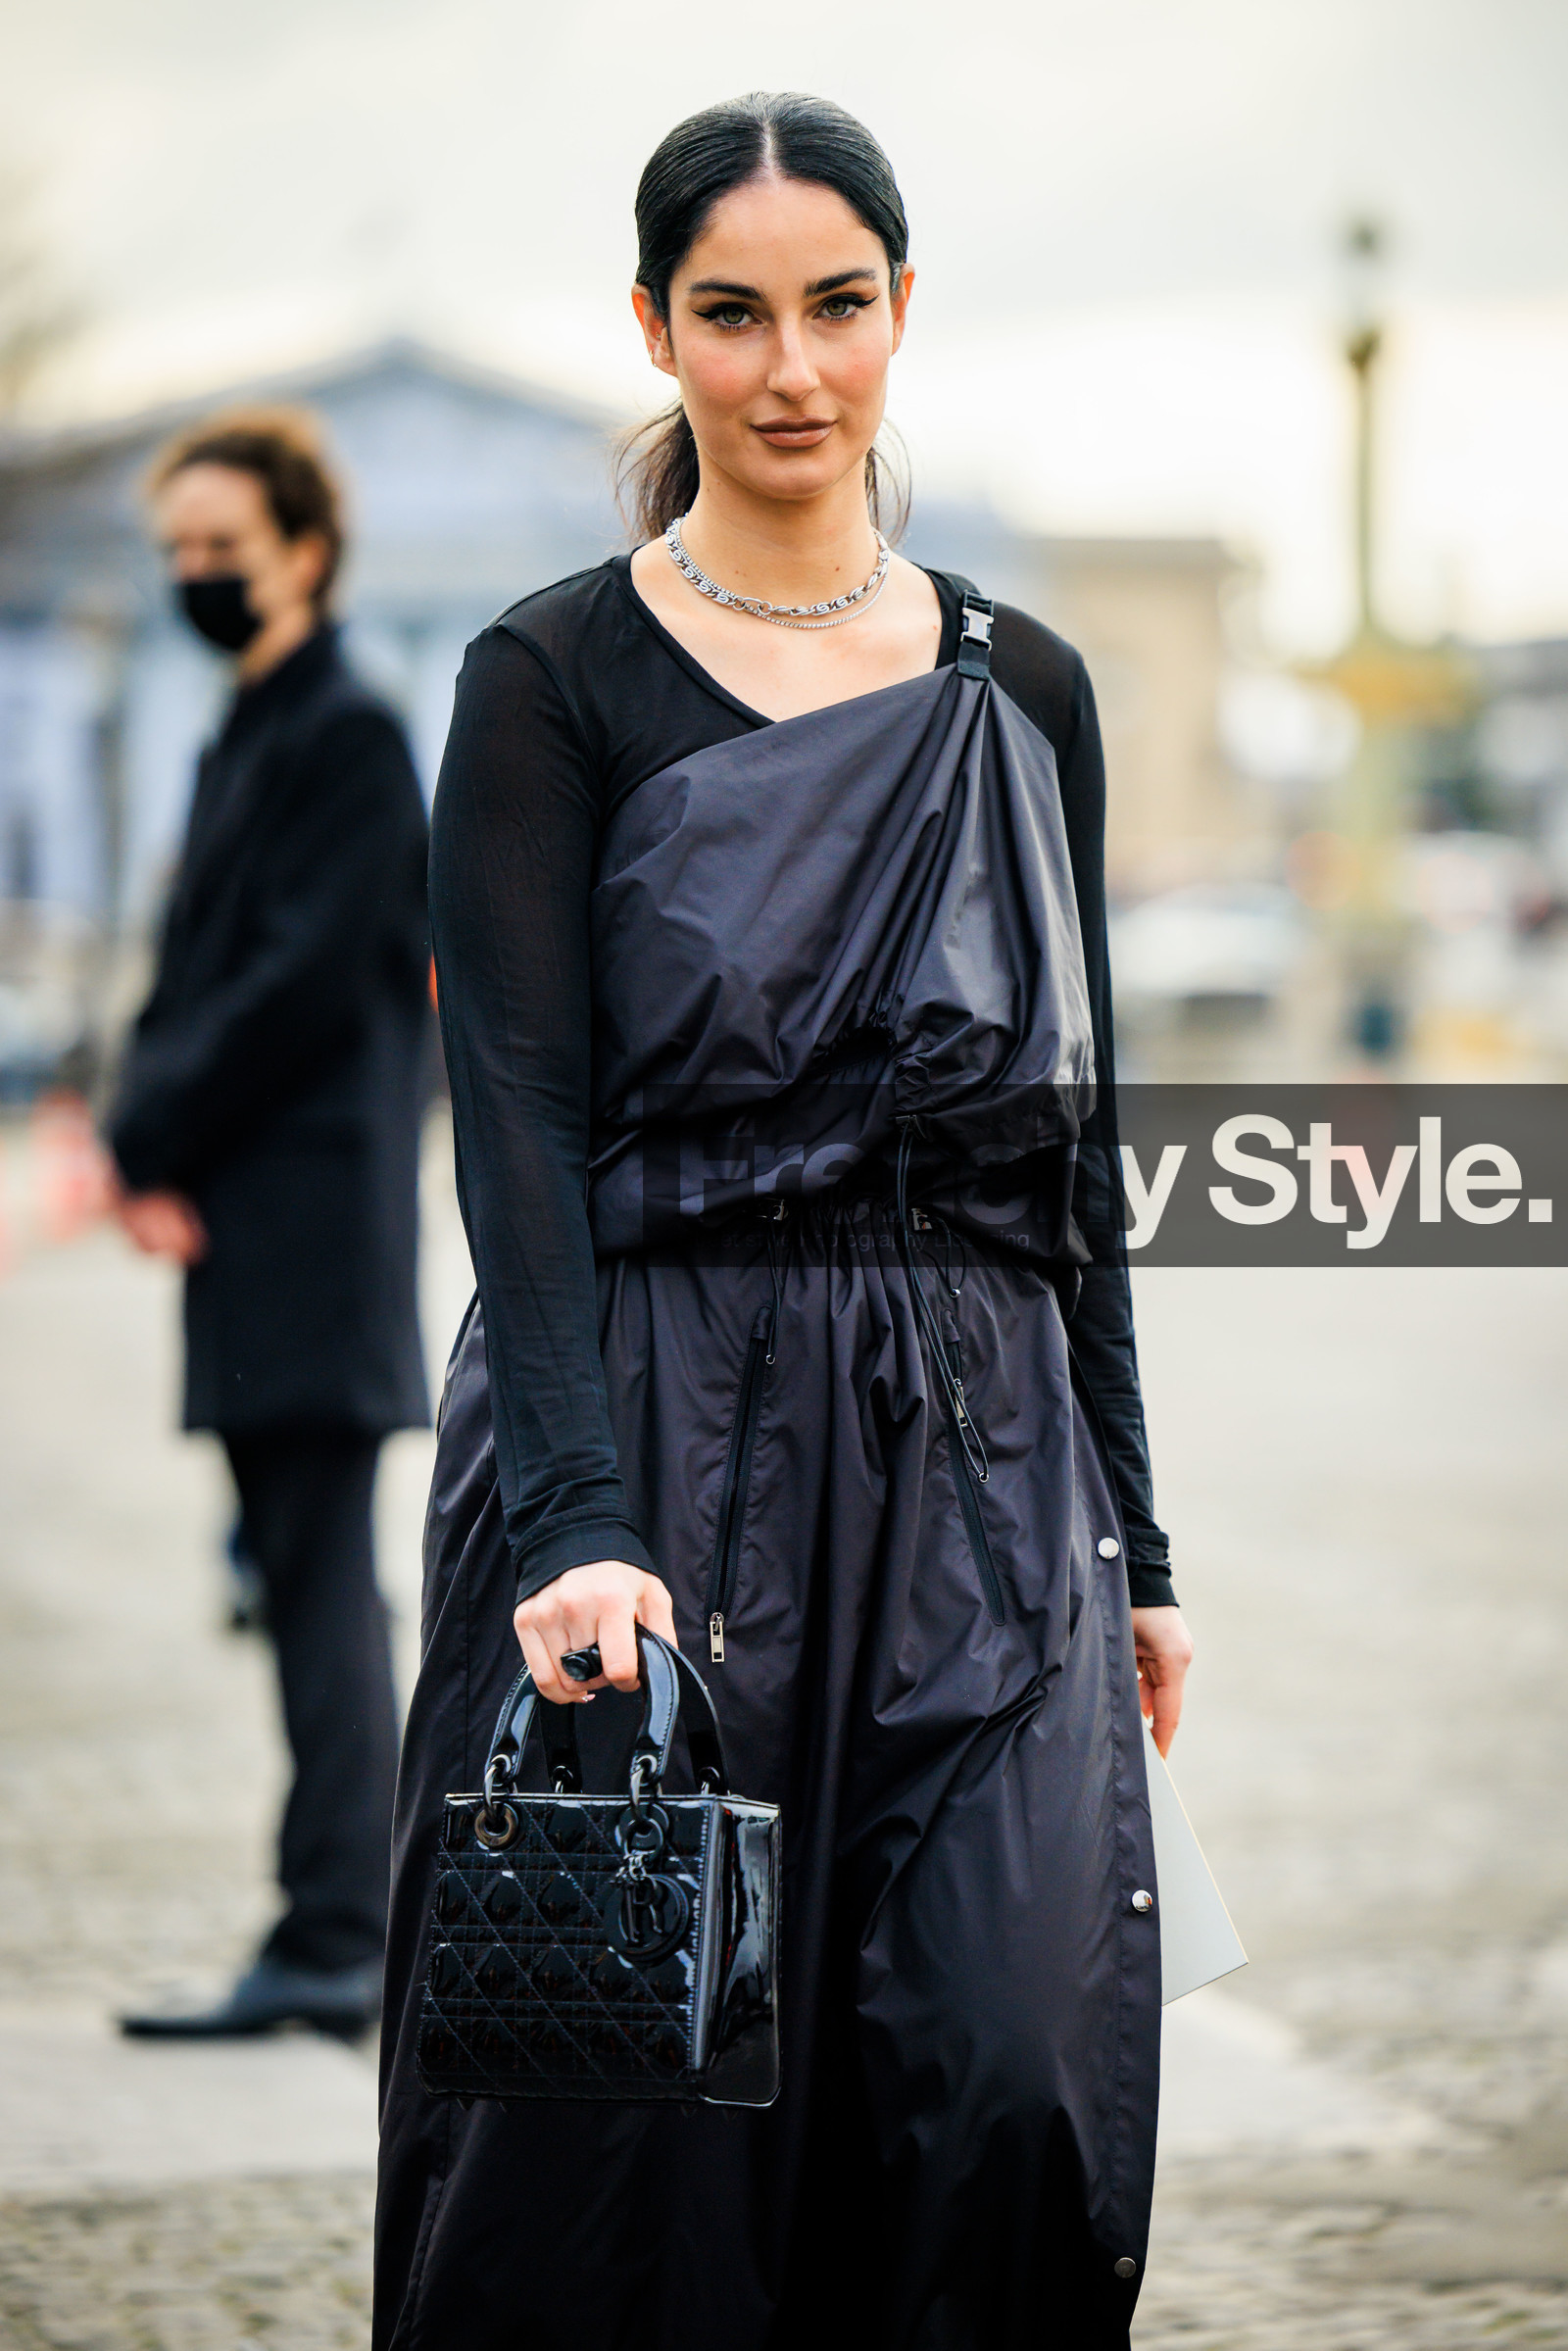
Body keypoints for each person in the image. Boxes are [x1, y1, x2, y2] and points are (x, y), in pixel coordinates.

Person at [376, 93, 1193, 2349]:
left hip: (978, 1446)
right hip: (658, 1432)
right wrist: (568, 1516)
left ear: (900, 310)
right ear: (655, 330)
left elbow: (1071, 1135)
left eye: (836, 305)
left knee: (1008, 2069)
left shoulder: (1018, 684)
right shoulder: (546, 681)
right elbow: (516, 1116)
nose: (789, 367)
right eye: (729, 314)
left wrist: (1133, 1543)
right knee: (631, 2138)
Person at [109, 410, 432, 2041]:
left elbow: (291, 987)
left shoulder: (348, 734)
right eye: (177, 553)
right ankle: (333, 1916)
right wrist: (142, 1136)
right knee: (302, 1576)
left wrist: (142, 1128)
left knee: (311, 1578)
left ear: (305, 552)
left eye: (220, 552)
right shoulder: (258, 722)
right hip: (261, 1220)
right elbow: (191, 974)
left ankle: (335, 1933)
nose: (194, 578)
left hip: (311, 1224)